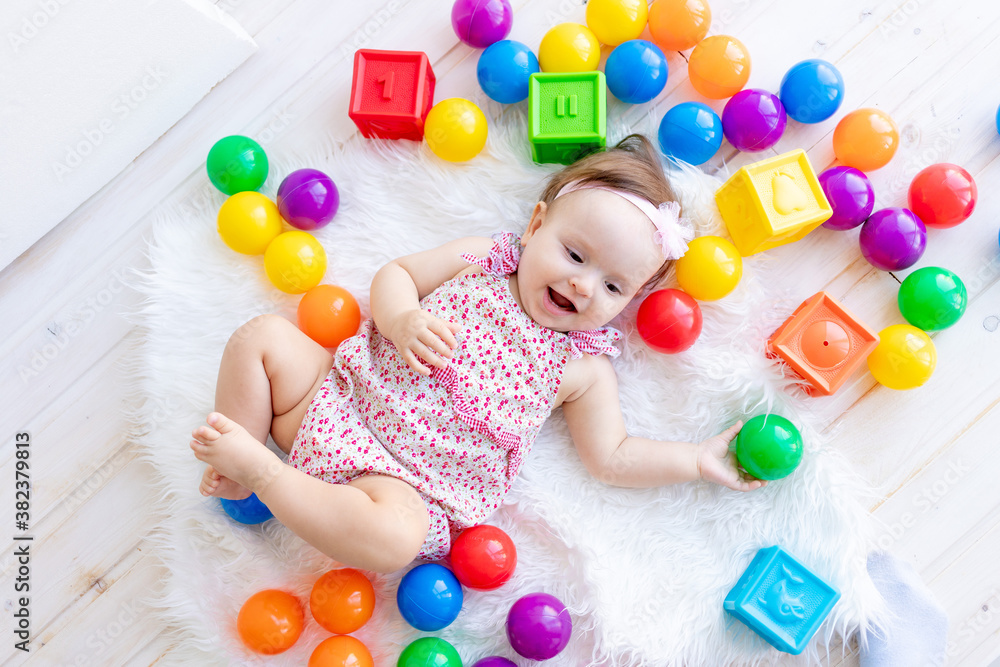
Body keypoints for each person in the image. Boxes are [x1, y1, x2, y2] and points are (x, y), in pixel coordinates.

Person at [189, 135, 766, 574]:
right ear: (536, 225)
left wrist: (695, 460)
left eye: (613, 286)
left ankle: (262, 472)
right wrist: (401, 318)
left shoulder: (584, 367)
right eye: (574, 254)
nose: (584, 285)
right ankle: (236, 467)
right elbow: (398, 274)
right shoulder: (482, 260)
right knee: (261, 337)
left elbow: (611, 455)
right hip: (331, 399)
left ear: (630, 300)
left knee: (395, 540)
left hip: (400, 485)